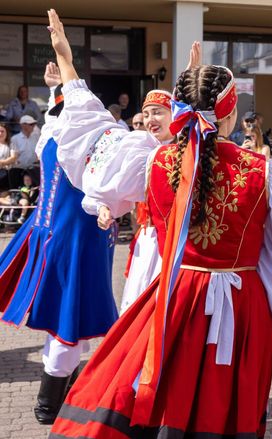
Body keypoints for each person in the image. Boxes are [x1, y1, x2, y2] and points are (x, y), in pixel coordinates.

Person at [45, 9, 272, 438]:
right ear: (231, 115)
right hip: (240, 308)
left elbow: (93, 139)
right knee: (225, 405)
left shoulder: (152, 159)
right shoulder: (261, 169)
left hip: (174, 297)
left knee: (166, 395)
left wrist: (69, 66)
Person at [0, 61, 117, 425]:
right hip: (67, 237)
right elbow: (61, 118)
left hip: (57, 232)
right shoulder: (74, 136)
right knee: (67, 316)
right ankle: (50, 402)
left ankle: (58, 391)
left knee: (67, 316)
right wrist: (58, 87)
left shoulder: (65, 137)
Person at [119, 89, 175, 314]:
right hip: (147, 239)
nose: (150, 120)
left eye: (158, 113)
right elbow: (119, 187)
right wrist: (104, 206)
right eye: (146, 114)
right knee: (138, 305)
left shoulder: (186, 151)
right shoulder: (140, 151)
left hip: (174, 241)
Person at [9, 114, 40, 188]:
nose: (33, 126)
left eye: (34, 124)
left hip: (33, 171)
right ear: (23, 125)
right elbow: (14, 157)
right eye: (31, 124)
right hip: (19, 171)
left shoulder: (36, 137)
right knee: (18, 191)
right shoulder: (15, 138)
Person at [0, 123, 13, 190]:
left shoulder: (11, 144)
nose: (0, 133)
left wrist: (2, 163)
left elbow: (13, 157)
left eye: (2, 131)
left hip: (5, 173)